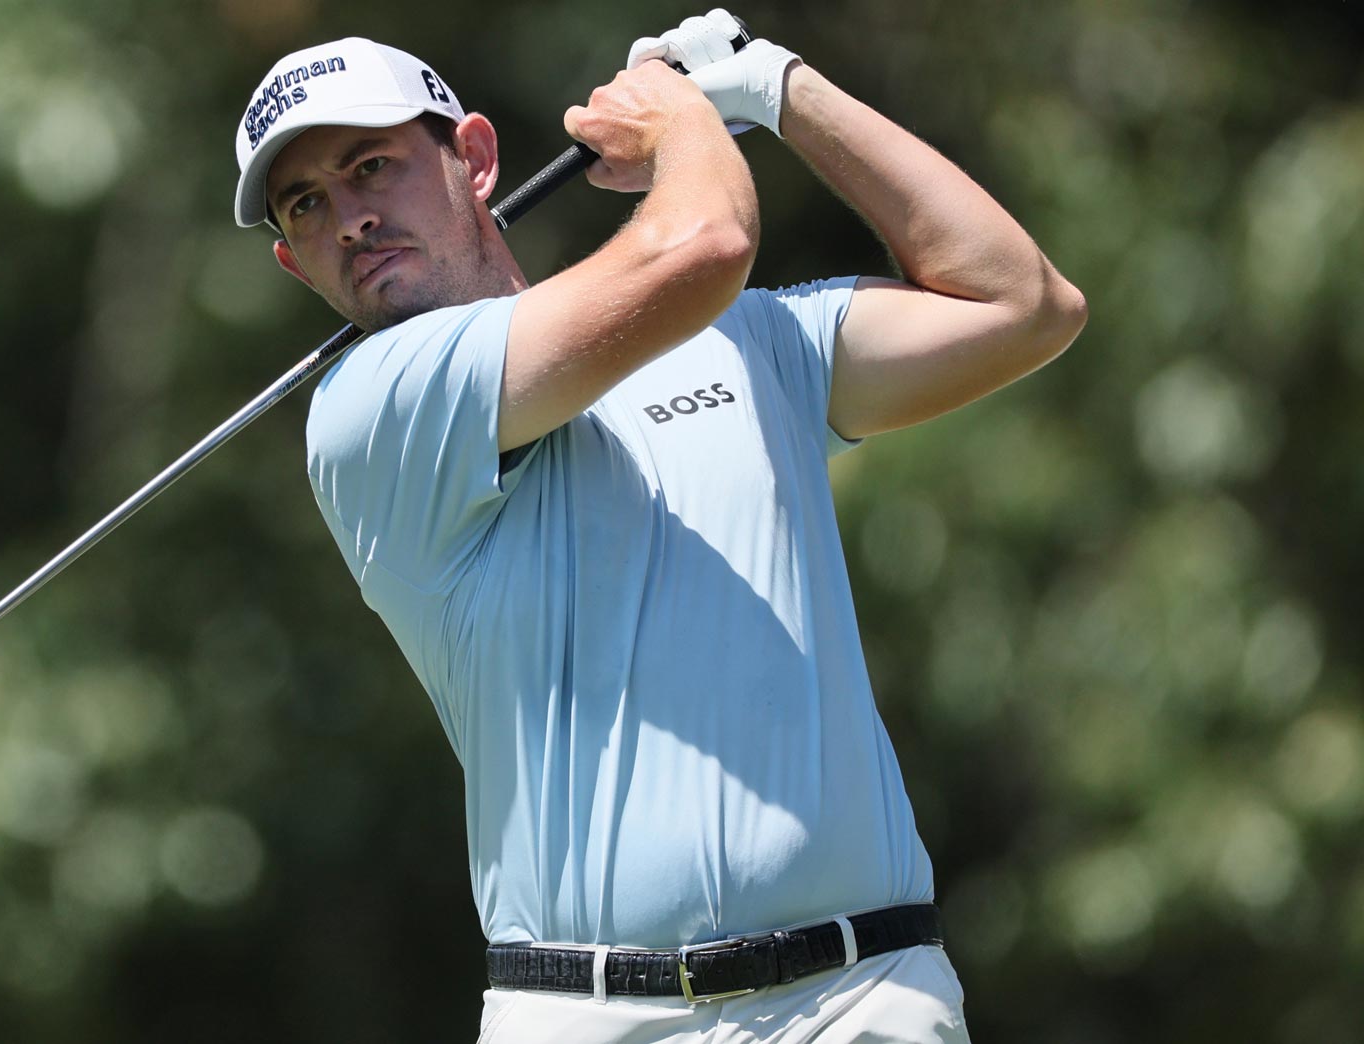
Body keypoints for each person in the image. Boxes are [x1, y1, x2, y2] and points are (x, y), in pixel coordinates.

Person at [231, 11, 1085, 1043]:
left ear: (475, 159)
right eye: (308, 203)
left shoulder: (751, 341)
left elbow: (1023, 304)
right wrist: (686, 122)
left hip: (861, 999)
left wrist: (778, 91)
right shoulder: (371, 408)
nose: (351, 219)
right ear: (293, 261)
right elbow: (705, 242)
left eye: (371, 167)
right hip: (587, 1013)